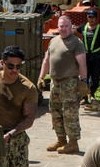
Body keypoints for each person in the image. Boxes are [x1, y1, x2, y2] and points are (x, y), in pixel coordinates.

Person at [38, 15, 89, 155]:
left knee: (69, 113)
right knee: (55, 112)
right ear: (58, 27)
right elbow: (46, 61)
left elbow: (82, 64)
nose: (64, 29)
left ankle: (73, 143)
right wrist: (41, 77)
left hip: (69, 83)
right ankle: (61, 140)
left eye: (66, 26)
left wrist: (84, 81)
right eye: (61, 26)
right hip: (55, 83)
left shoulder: (76, 43)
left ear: (71, 27)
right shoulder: (53, 41)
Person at [80, 9, 100, 107]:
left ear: (96, 18)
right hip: (85, 57)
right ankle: (84, 98)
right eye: (89, 17)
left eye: (93, 17)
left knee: (95, 77)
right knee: (84, 77)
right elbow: (74, 32)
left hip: (96, 56)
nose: (91, 19)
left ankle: (92, 94)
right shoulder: (83, 27)